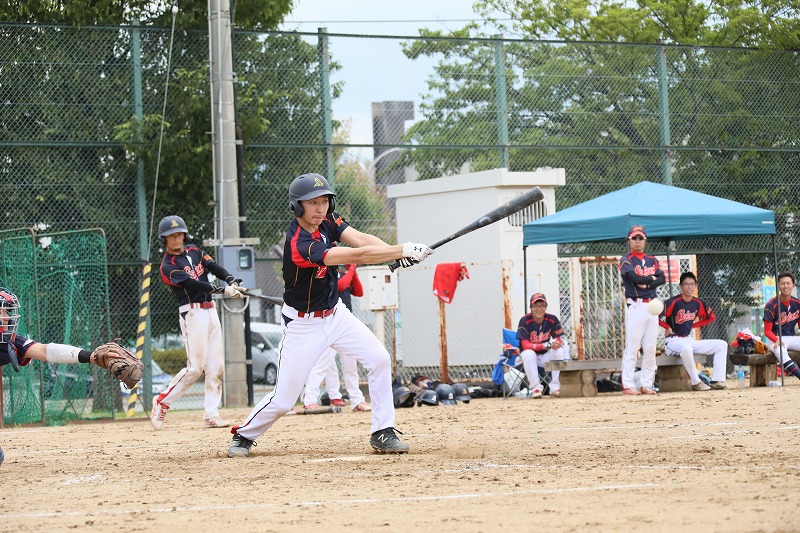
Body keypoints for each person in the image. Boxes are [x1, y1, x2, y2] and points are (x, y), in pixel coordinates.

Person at [227, 173, 433, 457]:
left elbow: (360, 239)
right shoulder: (299, 243)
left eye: (324, 201)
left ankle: (383, 431)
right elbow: (354, 255)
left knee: (379, 359)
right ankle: (244, 435)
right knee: (284, 400)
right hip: (303, 325)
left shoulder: (328, 220)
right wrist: (402, 250)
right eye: (313, 203)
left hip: (336, 315)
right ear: (297, 206)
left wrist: (394, 253)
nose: (320, 208)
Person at [0, 287, 137, 464]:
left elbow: (45, 350)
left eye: (7, 311)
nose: (8, 317)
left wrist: (91, 356)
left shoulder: (9, 342)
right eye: (2, 312)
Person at [152, 214, 246, 430]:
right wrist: (223, 290)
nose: (176, 239)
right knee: (195, 368)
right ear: (164, 239)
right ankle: (162, 401)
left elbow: (213, 266)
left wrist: (230, 280)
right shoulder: (167, 265)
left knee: (216, 367)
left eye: (179, 234)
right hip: (192, 314)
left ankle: (211, 414)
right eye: (171, 236)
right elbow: (192, 284)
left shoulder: (195, 251)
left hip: (211, 310)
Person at [303, 264, 371, 412]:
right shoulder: (326, 275)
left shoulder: (345, 274)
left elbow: (359, 292)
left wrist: (353, 271)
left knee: (350, 366)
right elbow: (341, 286)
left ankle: (356, 400)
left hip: (346, 326)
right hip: (329, 324)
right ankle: (309, 400)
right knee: (322, 364)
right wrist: (352, 269)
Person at [618, 225, 666, 395]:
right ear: (629, 240)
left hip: (652, 306)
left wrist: (648, 283)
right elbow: (634, 278)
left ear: (645, 240)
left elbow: (662, 279)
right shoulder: (626, 260)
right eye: (634, 238)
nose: (637, 241)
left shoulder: (652, 259)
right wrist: (650, 278)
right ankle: (628, 384)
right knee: (633, 347)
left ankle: (646, 384)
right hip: (636, 305)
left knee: (651, 347)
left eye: (640, 238)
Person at [659, 272, 727, 391]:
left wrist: (693, 325)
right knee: (686, 348)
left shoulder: (698, 303)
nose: (689, 287)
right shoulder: (672, 302)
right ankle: (696, 382)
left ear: (696, 286)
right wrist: (667, 327)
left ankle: (717, 381)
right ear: (681, 286)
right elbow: (654, 317)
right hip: (672, 342)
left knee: (721, 344)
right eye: (686, 284)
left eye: (692, 284)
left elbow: (711, 317)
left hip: (688, 340)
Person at [516, 292, 568, 398]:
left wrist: (556, 344)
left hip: (544, 357)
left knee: (559, 351)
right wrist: (545, 345)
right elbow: (525, 346)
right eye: (536, 306)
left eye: (542, 306)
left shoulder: (552, 319)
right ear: (531, 308)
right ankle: (535, 388)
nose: (539, 309)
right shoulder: (525, 320)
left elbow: (559, 340)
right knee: (529, 354)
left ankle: (555, 388)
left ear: (546, 307)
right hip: (527, 359)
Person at [763, 272, 800, 381]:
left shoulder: (797, 303)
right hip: (775, 338)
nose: (785, 286)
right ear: (778, 286)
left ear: (793, 285)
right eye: (783, 283)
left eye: (788, 283)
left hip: (791, 338)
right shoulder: (771, 305)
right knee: (780, 351)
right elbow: (767, 331)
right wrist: (776, 340)